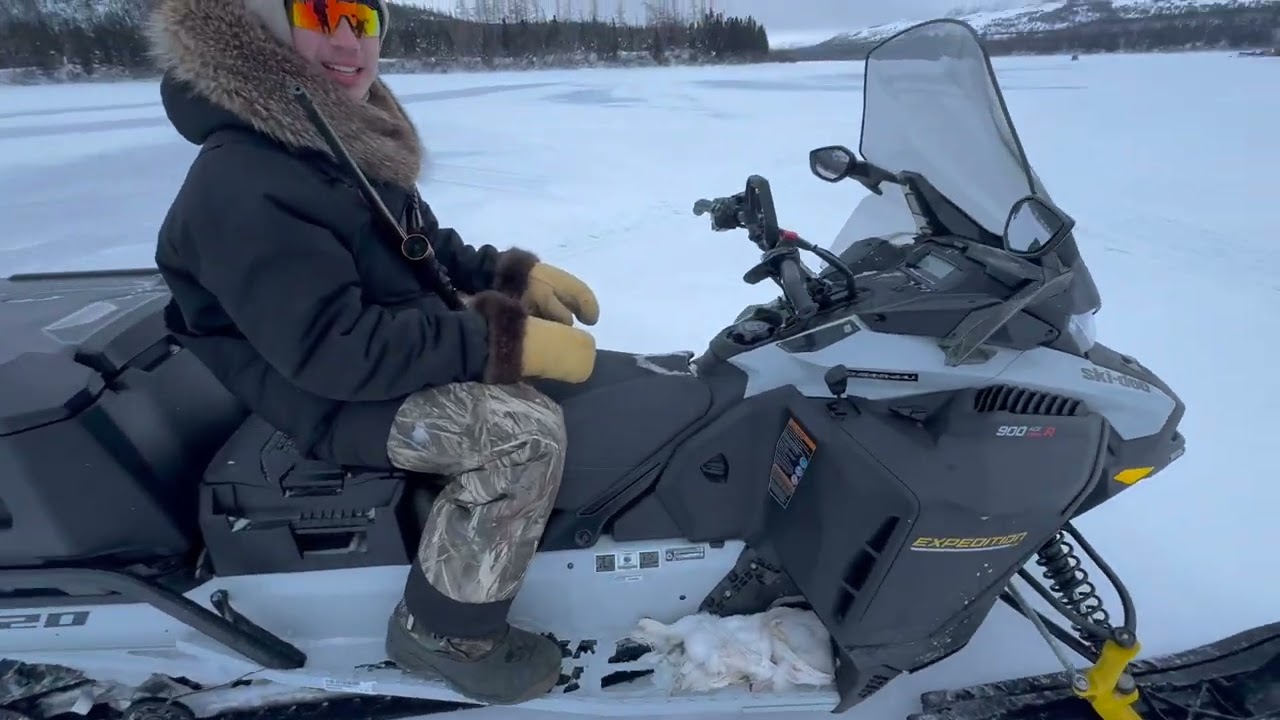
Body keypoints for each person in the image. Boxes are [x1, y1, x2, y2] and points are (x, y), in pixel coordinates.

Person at [148, 0, 599, 705]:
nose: (348, 39)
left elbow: (422, 254)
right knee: (522, 437)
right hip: (326, 398)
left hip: (367, 363)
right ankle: (444, 631)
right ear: (260, 28)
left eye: (362, 18)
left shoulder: (331, 143)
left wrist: (511, 280)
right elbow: (336, 349)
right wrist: (503, 342)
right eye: (319, 12)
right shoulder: (242, 182)